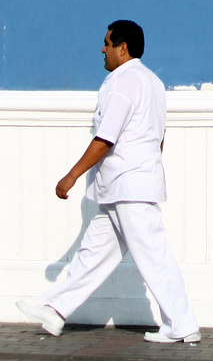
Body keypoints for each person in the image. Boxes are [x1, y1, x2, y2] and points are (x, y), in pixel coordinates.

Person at [16, 20, 200, 344]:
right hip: (126, 187)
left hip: (129, 187)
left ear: (122, 47)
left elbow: (105, 139)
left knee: (154, 255)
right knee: (92, 255)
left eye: (106, 43)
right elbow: (157, 139)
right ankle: (55, 310)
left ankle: (182, 324)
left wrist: (70, 176)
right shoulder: (153, 82)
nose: (102, 49)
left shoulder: (124, 81)